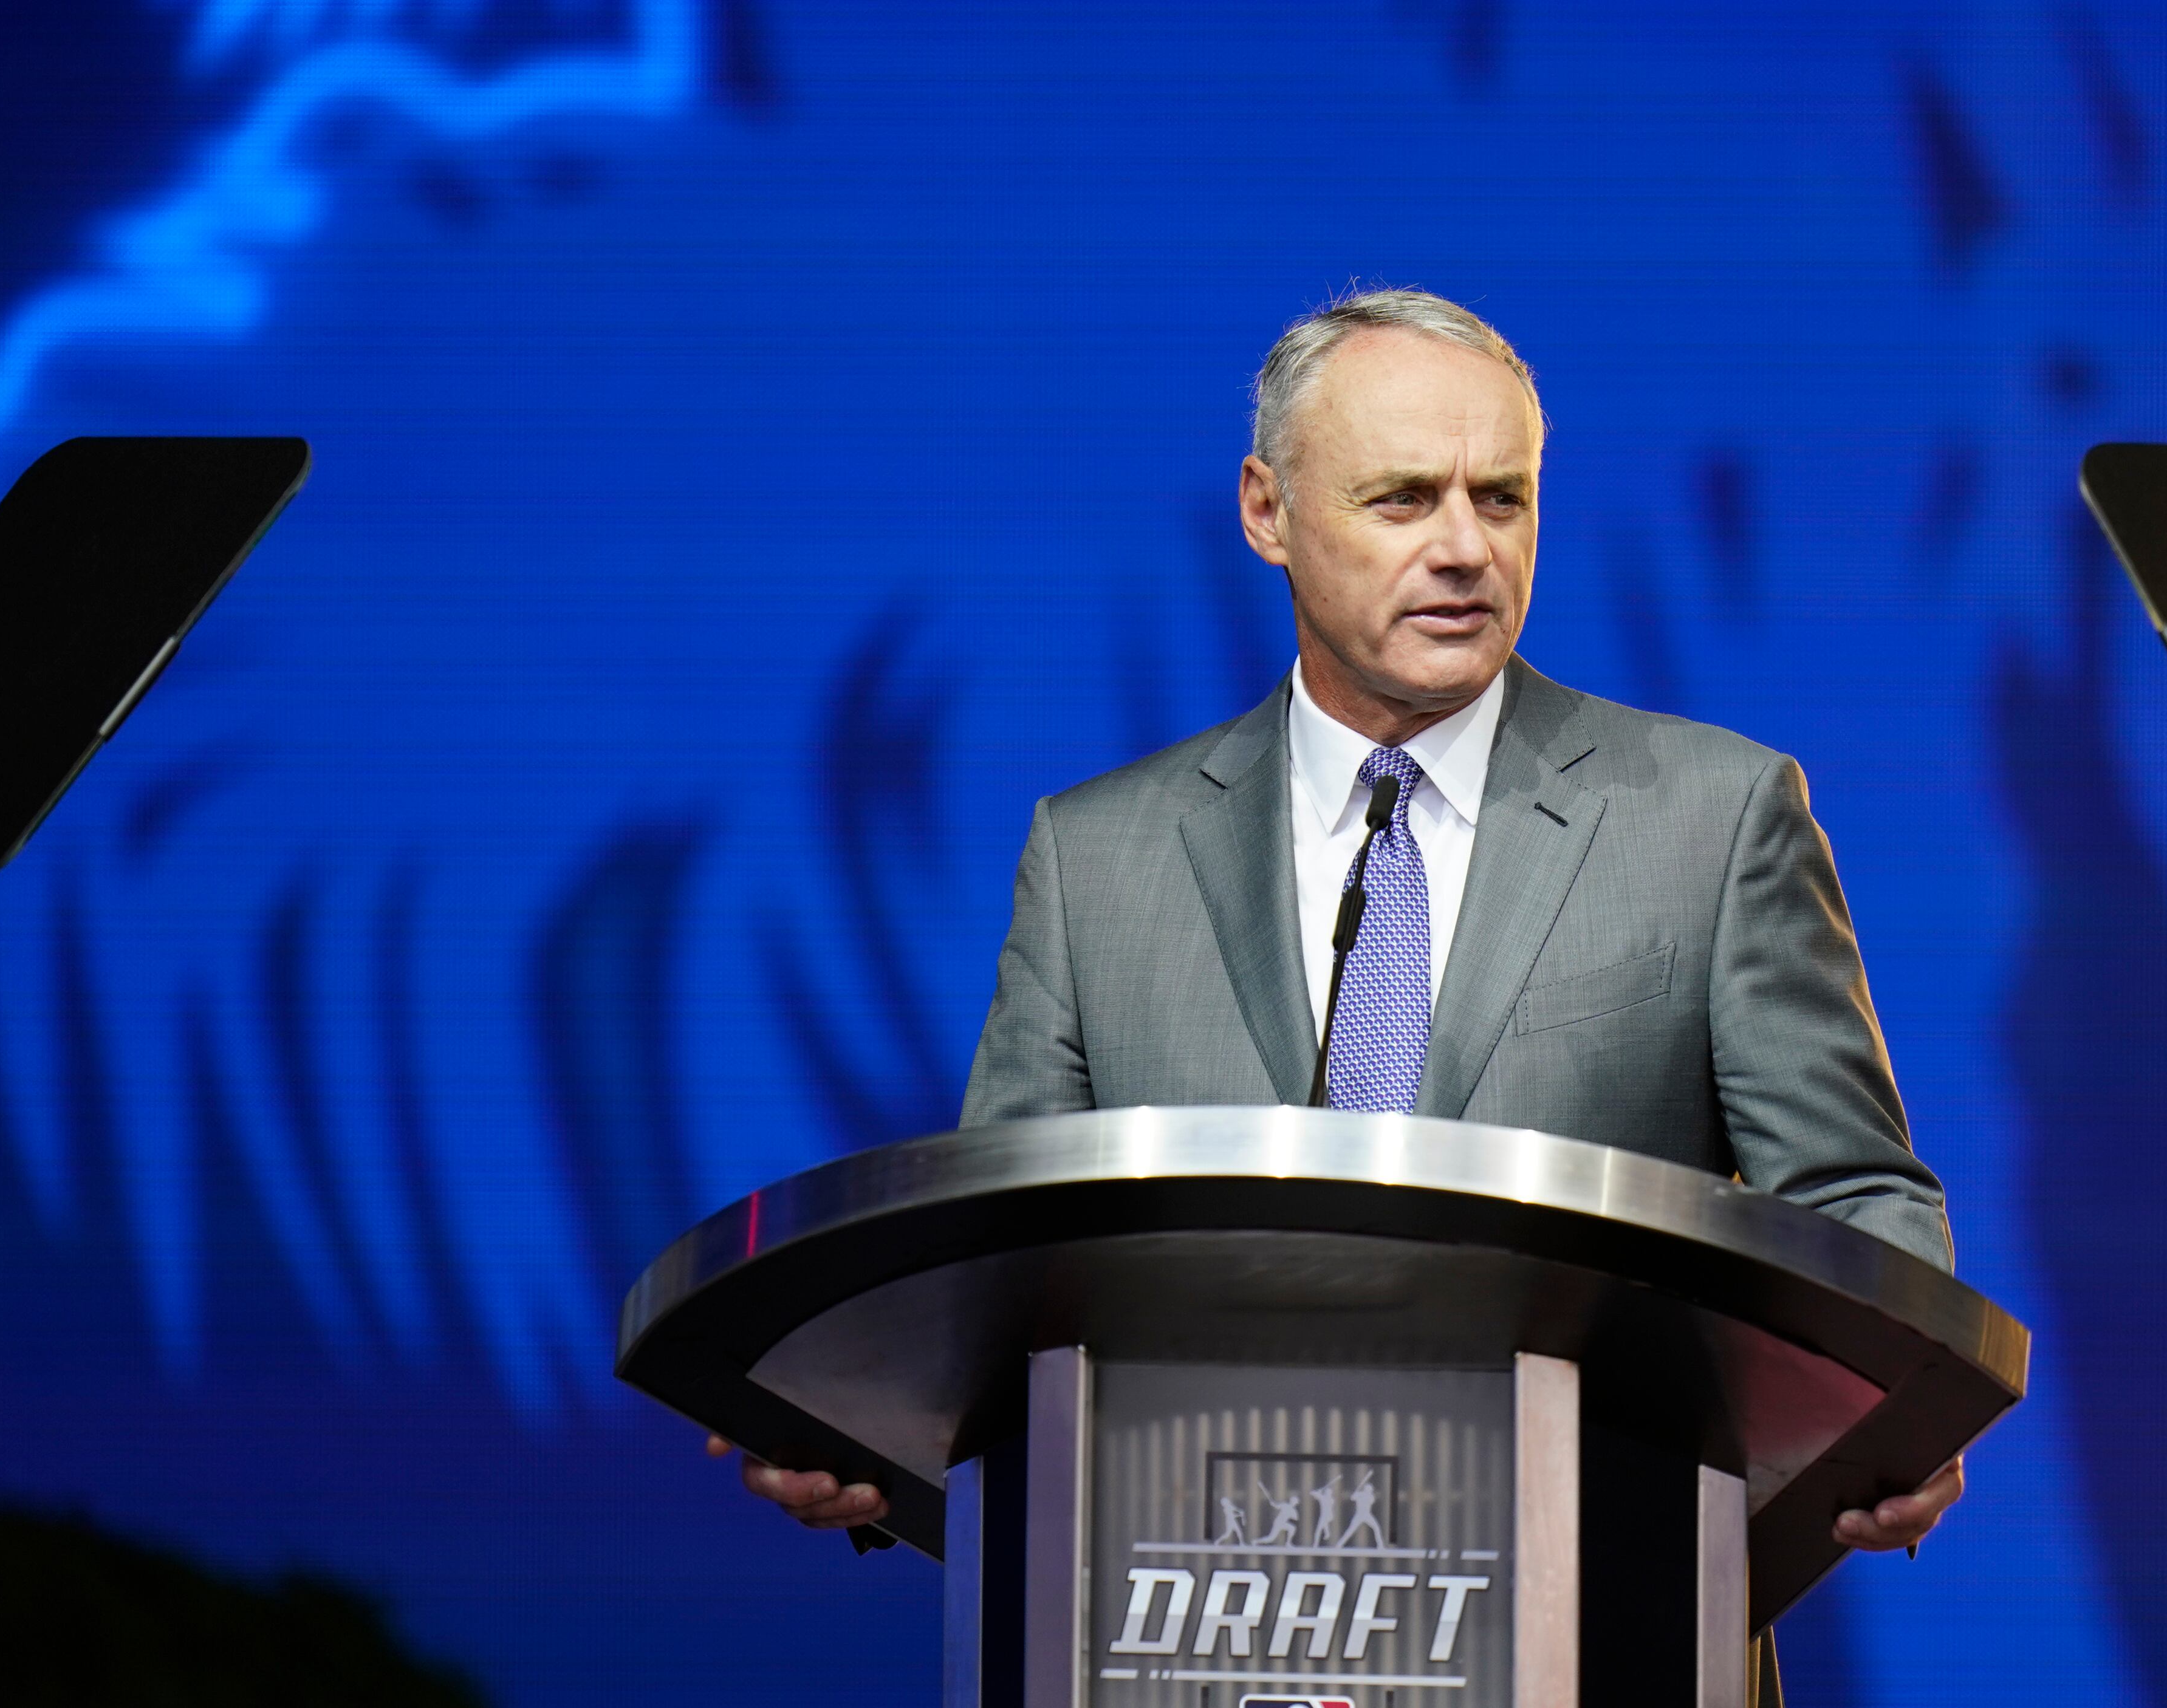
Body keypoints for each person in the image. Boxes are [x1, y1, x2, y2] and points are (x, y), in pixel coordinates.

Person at [714, 289, 1963, 1554]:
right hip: (1191, 1587)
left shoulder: (1712, 816)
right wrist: (872, 1425)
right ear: (1268, 511)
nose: (1466, 548)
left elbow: (1852, 1193)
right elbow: (1001, 1262)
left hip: (1603, 1585)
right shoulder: (1095, 860)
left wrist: (1899, 1416)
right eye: (1404, 499)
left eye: (1502, 498)